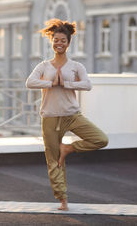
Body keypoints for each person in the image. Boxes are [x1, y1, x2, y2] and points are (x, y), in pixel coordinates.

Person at [25, 19, 109, 211]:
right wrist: (51, 83)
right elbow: (29, 82)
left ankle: (68, 149)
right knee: (53, 162)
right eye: (56, 39)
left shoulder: (76, 66)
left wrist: (67, 84)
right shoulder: (44, 66)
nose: (59, 43)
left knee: (100, 139)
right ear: (52, 41)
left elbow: (87, 85)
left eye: (63, 40)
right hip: (50, 117)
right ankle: (62, 199)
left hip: (72, 115)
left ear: (68, 43)